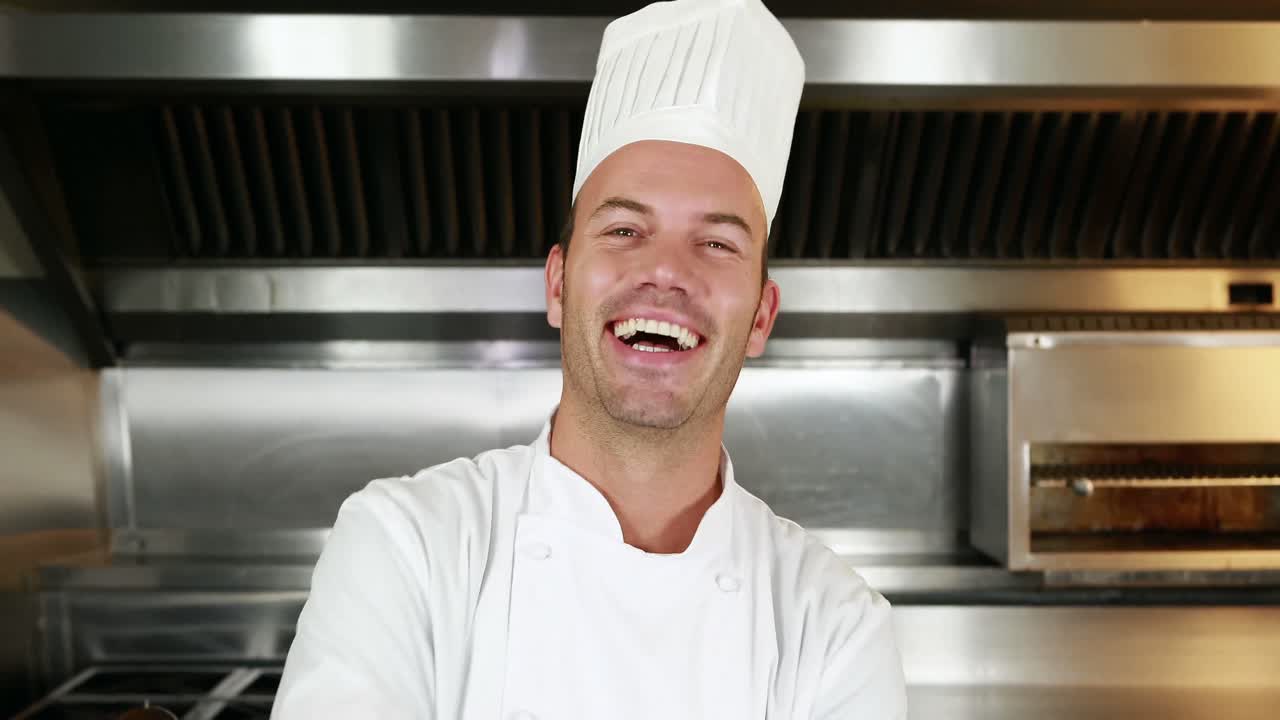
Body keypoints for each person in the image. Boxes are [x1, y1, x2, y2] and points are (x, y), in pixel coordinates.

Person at [272, 0, 907, 717]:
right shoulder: (406, 547)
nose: (666, 272)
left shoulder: (835, 627)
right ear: (557, 283)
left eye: (718, 242)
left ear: (761, 317)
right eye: (626, 229)